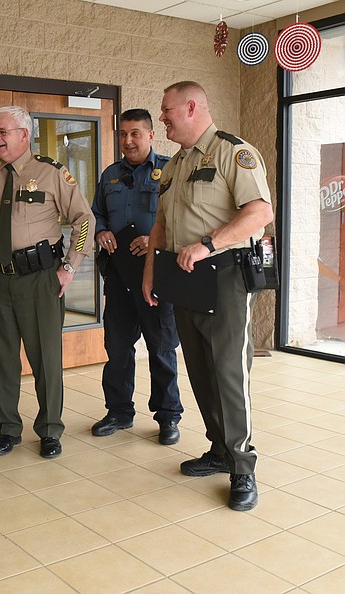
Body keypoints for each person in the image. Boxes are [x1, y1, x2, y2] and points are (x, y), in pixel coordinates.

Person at [143, 81, 273, 511]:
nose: (161, 117)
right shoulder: (176, 164)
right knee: (199, 370)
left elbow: (259, 212)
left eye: (166, 110)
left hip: (224, 276)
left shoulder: (233, 153)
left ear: (191, 107)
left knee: (229, 374)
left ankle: (242, 467)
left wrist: (210, 243)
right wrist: (151, 275)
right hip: (184, 280)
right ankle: (219, 449)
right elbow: (161, 226)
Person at [0, 106, 95, 459]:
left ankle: (49, 429)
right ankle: (7, 428)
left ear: (24, 135)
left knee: (46, 358)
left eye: (3, 132)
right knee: (2, 358)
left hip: (40, 279)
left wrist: (70, 266)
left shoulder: (51, 173)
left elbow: (85, 220)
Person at [91, 109, 183, 445]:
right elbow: (97, 211)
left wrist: (155, 238)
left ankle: (168, 416)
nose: (128, 141)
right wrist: (101, 231)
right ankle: (118, 411)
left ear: (150, 135)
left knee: (161, 348)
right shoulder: (110, 174)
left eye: (135, 134)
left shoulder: (171, 169)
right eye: (123, 135)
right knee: (117, 347)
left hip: (156, 274)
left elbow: (182, 216)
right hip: (118, 273)